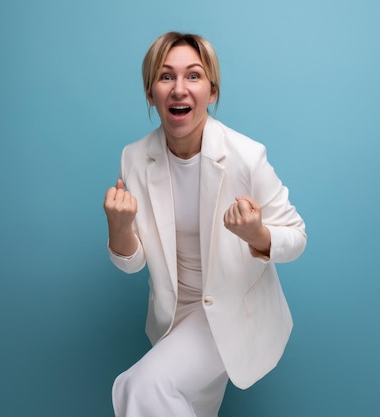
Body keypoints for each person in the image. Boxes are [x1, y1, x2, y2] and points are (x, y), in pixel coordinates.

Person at [103, 31, 307, 417]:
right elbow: (133, 262)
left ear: (211, 92)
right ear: (150, 94)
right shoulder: (134, 158)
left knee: (142, 386)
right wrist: (118, 226)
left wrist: (257, 235)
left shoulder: (246, 156)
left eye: (193, 76)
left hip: (229, 315)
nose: (179, 89)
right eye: (166, 77)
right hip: (170, 318)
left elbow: (297, 237)